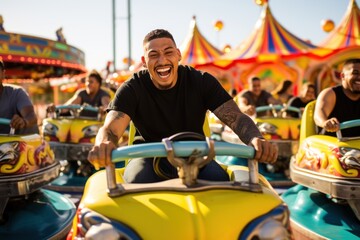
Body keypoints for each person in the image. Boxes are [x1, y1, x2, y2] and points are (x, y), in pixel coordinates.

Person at [88, 29, 278, 183]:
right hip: (147, 155)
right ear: (145, 62)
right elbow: (111, 129)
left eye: (168, 52)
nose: (162, 61)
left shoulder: (202, 81)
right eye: (154, 55)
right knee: (135, 181)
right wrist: (103, 144)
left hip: (197, 154)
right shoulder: (133, 87)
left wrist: (255, 138)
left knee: (221, 183)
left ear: (178, 55)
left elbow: (236, 118)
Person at [314, 58, 360, 137]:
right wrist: (325, 122)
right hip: (331, 145)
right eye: (355, 73)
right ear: (342, 76)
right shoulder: (330, 94)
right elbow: (319, 114)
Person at [0, 60, 39, 134]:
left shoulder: (17, 92)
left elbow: (31, 116)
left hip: (24, 142)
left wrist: (24, 122)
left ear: (3, 74)